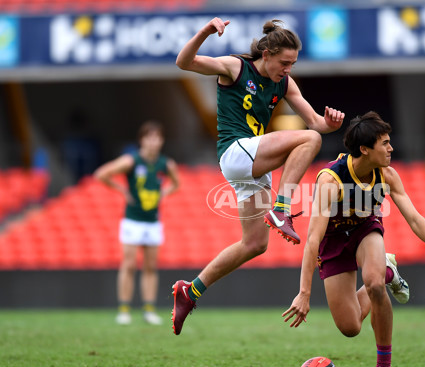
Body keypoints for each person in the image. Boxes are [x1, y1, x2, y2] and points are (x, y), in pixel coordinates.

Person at [170, 18, 344, 335]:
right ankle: (281, 209)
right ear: (266, 54)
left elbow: (316, 123)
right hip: (235, 152)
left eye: (293, 63)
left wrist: (330, 124)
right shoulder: (235, 68)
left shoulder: (285, 83)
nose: (288, 69)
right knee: (309, 141)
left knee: (254, 244)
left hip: (252, 163)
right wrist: (206, 33)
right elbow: (184, 62)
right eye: (284, 62)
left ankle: (191, 291)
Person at [282, 111, 425, 367]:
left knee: (374, 285)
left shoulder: (387, 176)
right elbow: (313, 239)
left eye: (389, 142)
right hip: (332, 241)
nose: (391, 148)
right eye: (385, 143)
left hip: (366, 229)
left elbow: (415, 219)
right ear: (365, 150)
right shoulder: (331, 181)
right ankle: (388, 271)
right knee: (350, 327)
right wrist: (304, 294)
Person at [94, 121, 180, 325]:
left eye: (157, 137)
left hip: (152, 222)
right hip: (132, 220)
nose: (153, 142)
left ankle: (149, 309)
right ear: (142, 140)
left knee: (150, 267)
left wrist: (163, 194)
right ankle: (124, 309)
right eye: (149, 137)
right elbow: (101, 174)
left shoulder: (165, 164)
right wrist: (122, 190)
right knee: (129, 265)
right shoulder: (131, 161)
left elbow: (177, 184)